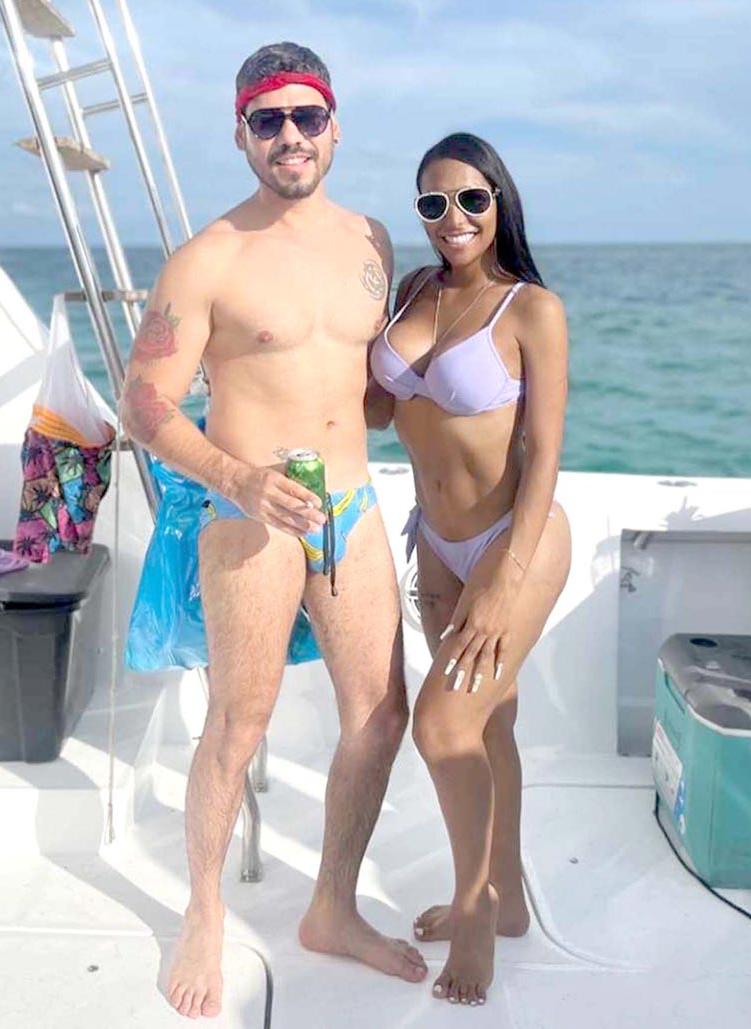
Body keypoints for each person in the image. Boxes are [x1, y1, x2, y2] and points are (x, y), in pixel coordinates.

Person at [119, 42, 427, 1022]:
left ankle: (331, 906)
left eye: (306, 117)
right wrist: (240, 480)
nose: (289, 136)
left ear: (333, 127)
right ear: (243, 134)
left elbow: (368, 393)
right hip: (248, 509)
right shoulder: (209, 257)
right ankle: (202, 911)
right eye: (268, 120)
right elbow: (143, 404)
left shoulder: (372, 239)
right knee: (237, 723)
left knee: (380, 715)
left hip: (350, 504)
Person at [366, 132, 572, 1006]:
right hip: (436, 544)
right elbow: (378, 411)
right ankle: (510, 894)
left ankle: (476, 905)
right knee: (488, 724)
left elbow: (546, 454)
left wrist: (502, 579)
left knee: (443, 727)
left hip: (513, 540)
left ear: (498, 202)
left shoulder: (531, 309)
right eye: (433, 202)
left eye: (470, 199)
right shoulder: (415, 289)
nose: (452, 217)